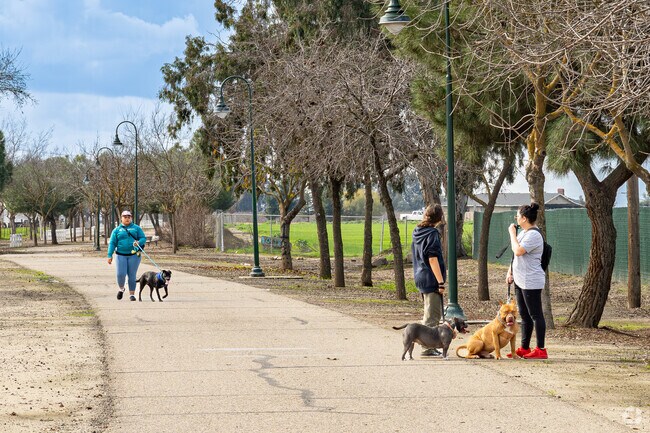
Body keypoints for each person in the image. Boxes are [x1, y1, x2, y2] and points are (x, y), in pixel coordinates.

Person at [506, 202, 548, 359]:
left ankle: (541, 349)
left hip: (531, 280)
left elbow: (518, 251)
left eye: (517, 216)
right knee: (524, 315)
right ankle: (524, 347)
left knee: (536, 315)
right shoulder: (524, 233)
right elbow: (515, 255)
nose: (516, 218)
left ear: (524, 218)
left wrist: (511, 233)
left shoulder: (534, 235)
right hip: (519, 279)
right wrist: (510, 272)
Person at [411, 204, 447, 357]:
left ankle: (426, 345)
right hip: (431, 278)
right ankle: (427, 348)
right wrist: (440, 282)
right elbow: (433, 259)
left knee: (428, 311)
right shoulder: (432, 234)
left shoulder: (417, 231)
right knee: (432, 315)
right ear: (439, 217)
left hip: (420, 275)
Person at [107, 210, 147, 301]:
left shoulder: (136, 228)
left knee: (132, 275)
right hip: (120, 255)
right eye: (125, 217)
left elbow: (143, 238)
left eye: (129, 217)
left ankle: (132, 294)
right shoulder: (117, 230)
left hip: (134, 255)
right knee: (120, 274)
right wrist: (109, 255)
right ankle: (121, 288)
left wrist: (139, 242)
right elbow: (112, 243)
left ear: (131, 218)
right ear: (121, 218)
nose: (127, 218)